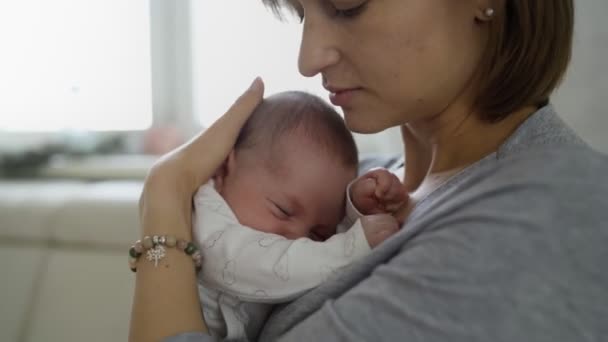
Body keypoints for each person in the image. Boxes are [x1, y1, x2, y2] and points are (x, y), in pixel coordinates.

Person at [130, 1, 608, 341]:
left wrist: (166, 194)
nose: (307, 59)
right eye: (302, 13)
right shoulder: (366, 185)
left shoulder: (546, 215)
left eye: (347, 6)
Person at [192, 91, 404, 339]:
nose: (297, 237)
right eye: (283, 210)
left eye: (317, 233)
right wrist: (353, 246)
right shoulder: (206, 213)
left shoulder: (264, 211)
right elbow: (262, 264)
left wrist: (355, 212)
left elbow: (310, 266)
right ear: (223, 168)